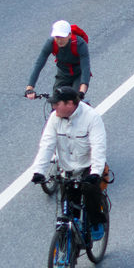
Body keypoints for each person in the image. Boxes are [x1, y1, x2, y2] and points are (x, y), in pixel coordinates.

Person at [31, 86, 108, 242]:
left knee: (89, 192)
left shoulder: (91, 118)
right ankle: (69, 241)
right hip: (67, 169)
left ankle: (96, 223)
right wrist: (39, 171)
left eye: (57, 103)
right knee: (68, 207)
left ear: (70, 104)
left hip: (88, 167)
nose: (53, 107)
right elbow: (46, 145)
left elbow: (98, 147)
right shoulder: (54, 118)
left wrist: (96, 173)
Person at [26, 20, 92, 99]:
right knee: (56, 101)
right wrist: (30, 88)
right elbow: (39, 64)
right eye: (57, 37)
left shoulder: (80, 44)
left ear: (69, 35)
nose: (59, 40)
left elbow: (85, 68)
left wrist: (81, 92)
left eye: (62, 37)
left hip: (79, 74)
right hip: (63, 75)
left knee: (74, 101)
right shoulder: (51, 43)